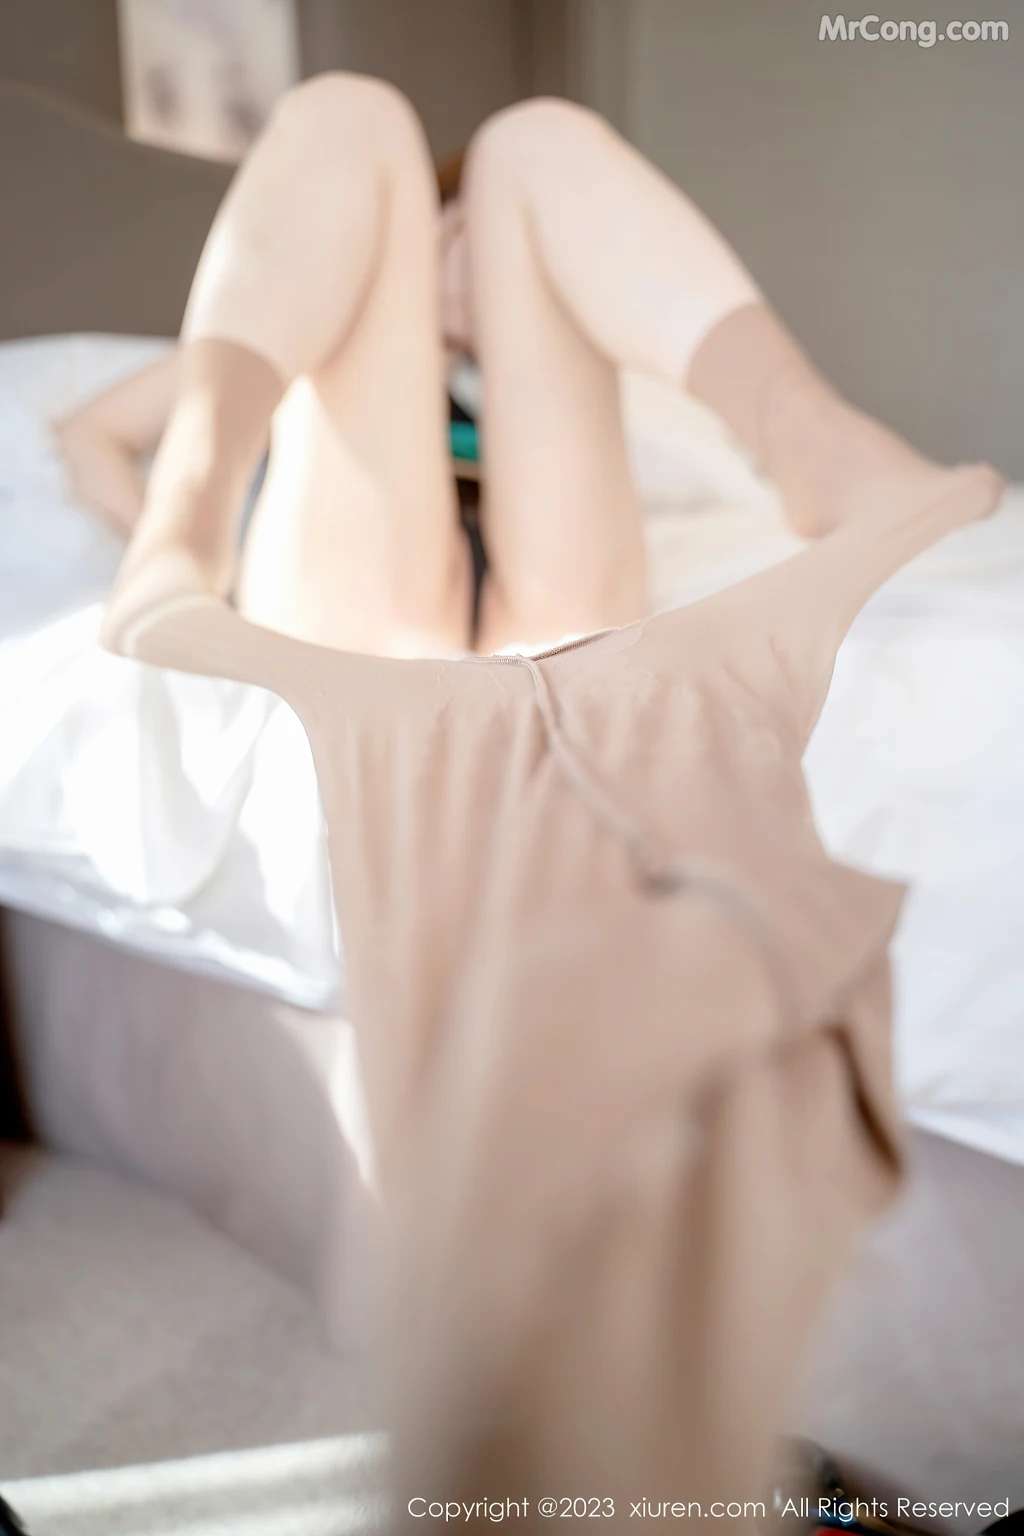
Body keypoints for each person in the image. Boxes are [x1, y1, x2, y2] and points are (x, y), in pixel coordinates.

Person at [88, 77, 1002, 1526]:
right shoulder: (323, 310)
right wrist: (165, 514)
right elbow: (85, 432)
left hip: (540, 602)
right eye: (440, 247)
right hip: (364, 586)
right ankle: (196, 509)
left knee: (535, 141)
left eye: (470, 258)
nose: (456, 276)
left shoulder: (550, 360)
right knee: (346, 115)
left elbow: (554, 276)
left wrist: (496, 309)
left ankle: (818, 447)